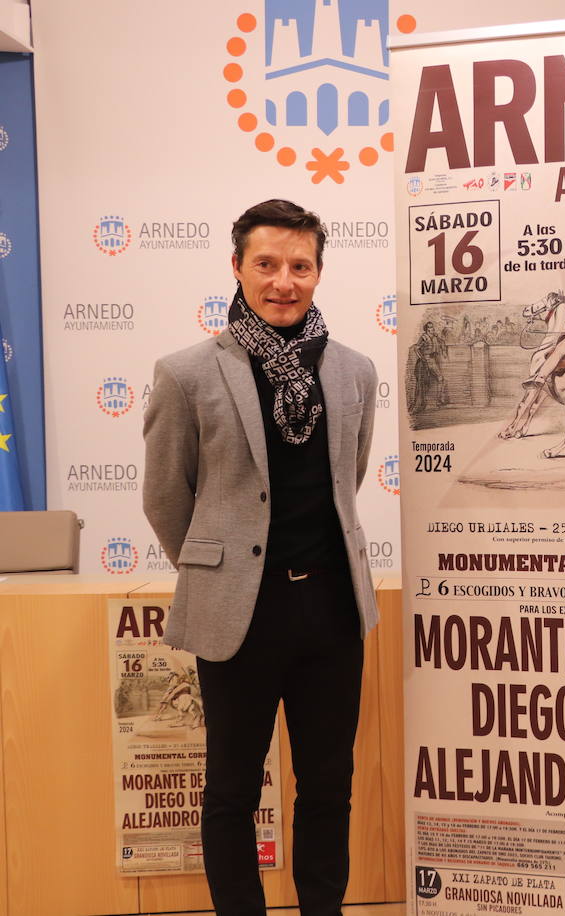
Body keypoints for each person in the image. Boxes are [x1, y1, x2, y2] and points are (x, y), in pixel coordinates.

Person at [143, 199, 379, 916]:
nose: (284, 281)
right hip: (238, 613)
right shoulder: (187, 373)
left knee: (328, 788)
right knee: (232, 790)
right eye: (267, 264)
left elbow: (350, 478)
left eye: (299, 266)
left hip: (333, 611)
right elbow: (165, 499)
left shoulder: (355, 372)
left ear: (318, 272)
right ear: (238, 267)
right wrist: (221, 572)